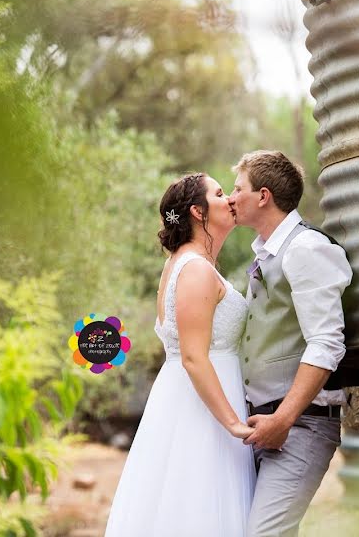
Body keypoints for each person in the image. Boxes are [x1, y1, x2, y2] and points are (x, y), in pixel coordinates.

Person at [104, 172, 256, 537]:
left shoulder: (188, 264)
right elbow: (192, 357)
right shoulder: (196, 270)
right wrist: (233, 423)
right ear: (198, 212)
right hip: (203, 411)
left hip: (193, 399)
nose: (230, 200)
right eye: (220, 194)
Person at [228, 150, 352, 537]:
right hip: (261, 425)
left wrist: (283, 419)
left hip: (301, 425)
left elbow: (326, 342)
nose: (231, 198)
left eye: (237, 188)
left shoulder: (306, 249)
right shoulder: (269, 253)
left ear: (263, 196)